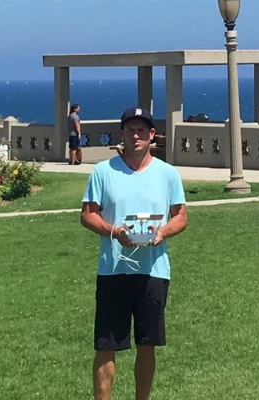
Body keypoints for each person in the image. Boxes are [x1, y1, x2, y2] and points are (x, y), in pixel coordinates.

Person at [80, 107, 188, 400]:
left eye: (142, 130)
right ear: (122, 134)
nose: (136, 135)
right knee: (106, 345)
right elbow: (87, 215)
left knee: (147, 345)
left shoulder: (167, 173)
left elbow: (180, 216)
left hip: (153, 271)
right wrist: (114, 231)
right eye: (130, 130)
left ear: (152, 135)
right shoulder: (103, 171)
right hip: (113, 271)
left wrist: (163, 232)